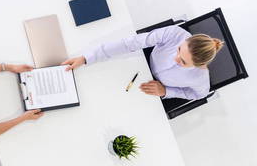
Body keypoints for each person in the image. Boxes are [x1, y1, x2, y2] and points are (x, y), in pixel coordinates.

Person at [61, 25, 224, 100]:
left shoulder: (200, 78)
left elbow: (199, 95)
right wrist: (86, 58)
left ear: (197, 65)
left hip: (147, 91)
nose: (176, 58)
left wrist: (167, 91)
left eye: (182, 62)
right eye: (178, 50)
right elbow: (129, 43)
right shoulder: (174, 33)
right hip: (139, 64)